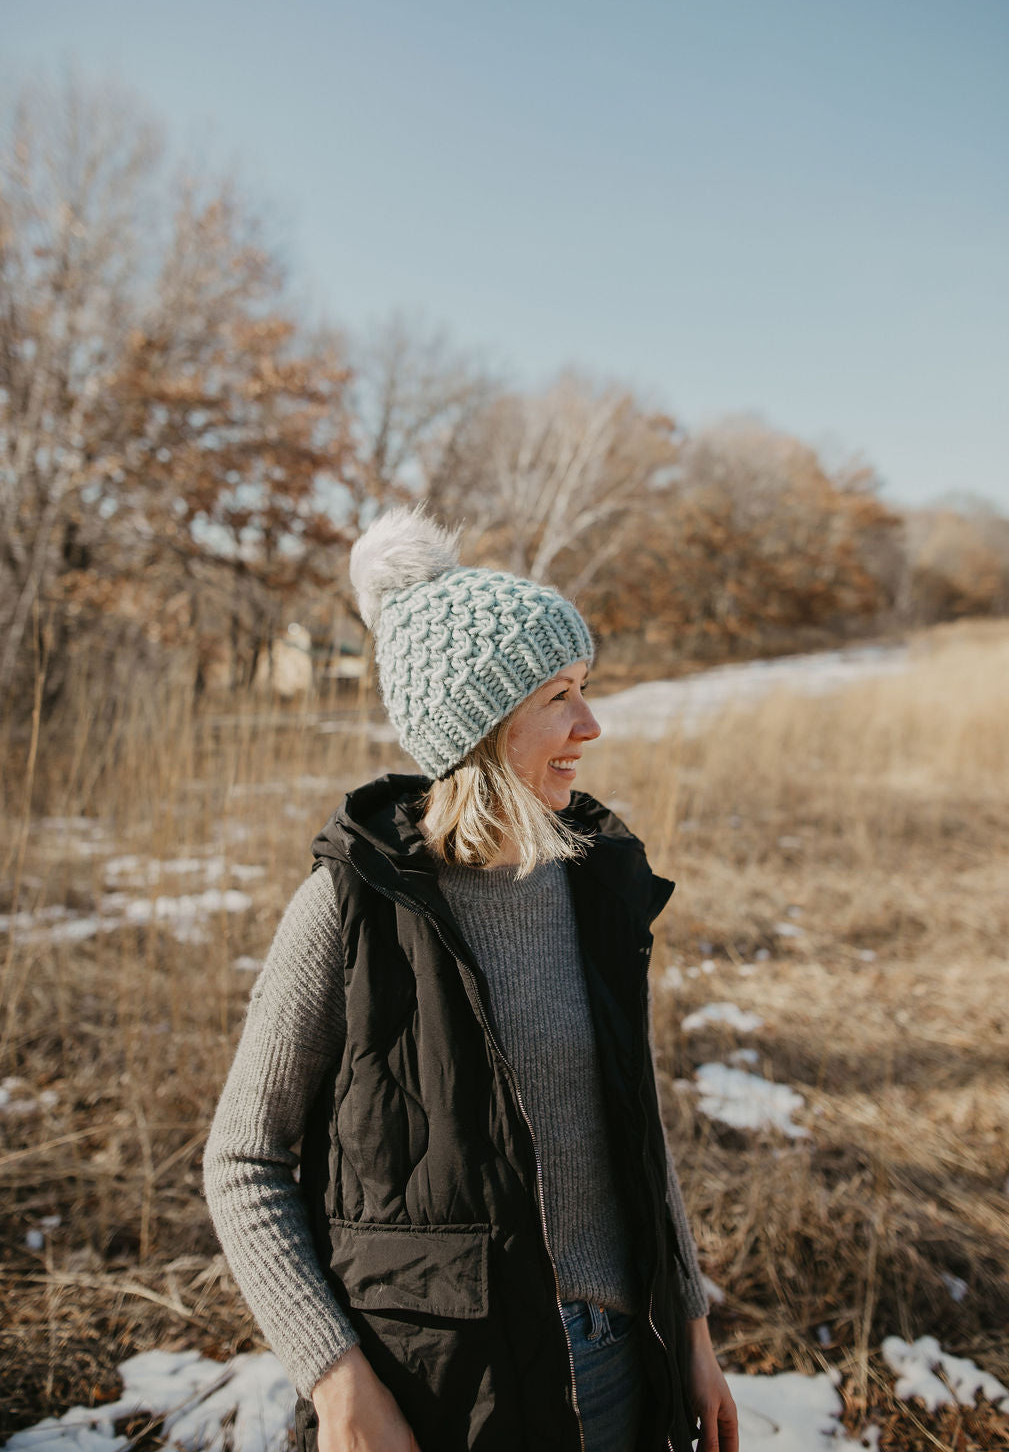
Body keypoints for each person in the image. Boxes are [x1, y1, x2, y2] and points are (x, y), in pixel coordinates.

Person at [204, 506, 739, 1452]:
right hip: (442, 1392)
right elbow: (244, 1164)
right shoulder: (350, 910)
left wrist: (689, 1329)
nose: (592, 723)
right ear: (479, 727)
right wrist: (337, 1385)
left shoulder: (591, 892)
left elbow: (636, 1124)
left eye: (585, 688)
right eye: (557, 697)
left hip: (621, 1368)